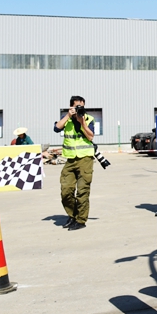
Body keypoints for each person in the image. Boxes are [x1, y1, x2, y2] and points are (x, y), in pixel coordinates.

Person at [54, 95, 95, 231]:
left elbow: (90, 136)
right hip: (70, 159)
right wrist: (68, 115)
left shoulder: (88, 118)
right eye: (77, 106)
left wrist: (82, 122)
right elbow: (56, 128)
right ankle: (72, 215)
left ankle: (81, 220)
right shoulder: (66, 119)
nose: (79, 109)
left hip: (85, 159)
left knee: (82, 191)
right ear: (71, 106)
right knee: (66, 190)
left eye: (81, 107)